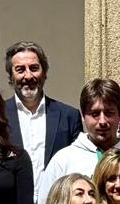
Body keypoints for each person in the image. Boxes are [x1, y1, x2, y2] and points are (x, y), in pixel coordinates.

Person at [35, 79, 120, 204]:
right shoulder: (63, 161)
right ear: (83, 117)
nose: (102, 121)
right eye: (95, 114)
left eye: (109, 113)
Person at [5, 40, 83, 174]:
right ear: (11, 77)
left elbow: (77, 167)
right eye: (20, 70)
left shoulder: (69, 117)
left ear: (45, 73)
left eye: (34, 68)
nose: (28, 76)